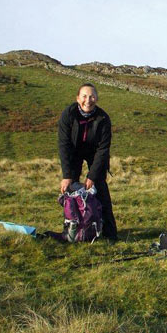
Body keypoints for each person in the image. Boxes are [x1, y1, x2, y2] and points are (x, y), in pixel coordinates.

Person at [58, 83, 117, 240]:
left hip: (95, 153)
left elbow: (103, 149)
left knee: (101, 189)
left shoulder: (103, 118)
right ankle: (73, 231)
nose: (88, 100)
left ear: (97, 98)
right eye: (84, 96)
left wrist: (92, 176)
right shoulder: (68, 114)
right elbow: (64, 145)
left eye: (92, 96)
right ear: (78, 98)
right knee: (70, 191)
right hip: (74, 152)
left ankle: (109, 233)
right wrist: (67, 174)